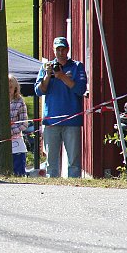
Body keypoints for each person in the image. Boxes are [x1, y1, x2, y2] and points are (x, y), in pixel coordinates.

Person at [35, 36, 88, 178]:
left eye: (63, 49)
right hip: (52, 121)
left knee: (74, 162)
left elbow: (81, 90)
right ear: (54, 50)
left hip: (72, 121)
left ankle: (74, 187)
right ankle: (53, 188)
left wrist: (63, 77)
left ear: (68, 49)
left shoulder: (77, 66)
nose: (61, 52)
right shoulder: (46, 67)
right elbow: (39, 91)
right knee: (51, 163)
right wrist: (47, 76)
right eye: (58, 49)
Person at [9, 74, 29, 176]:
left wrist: (10, 131)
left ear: (15, 88)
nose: (8, 90)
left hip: (16, 141)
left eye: (10, 87)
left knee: (18, 172)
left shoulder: (20, 102)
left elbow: (24, 124)